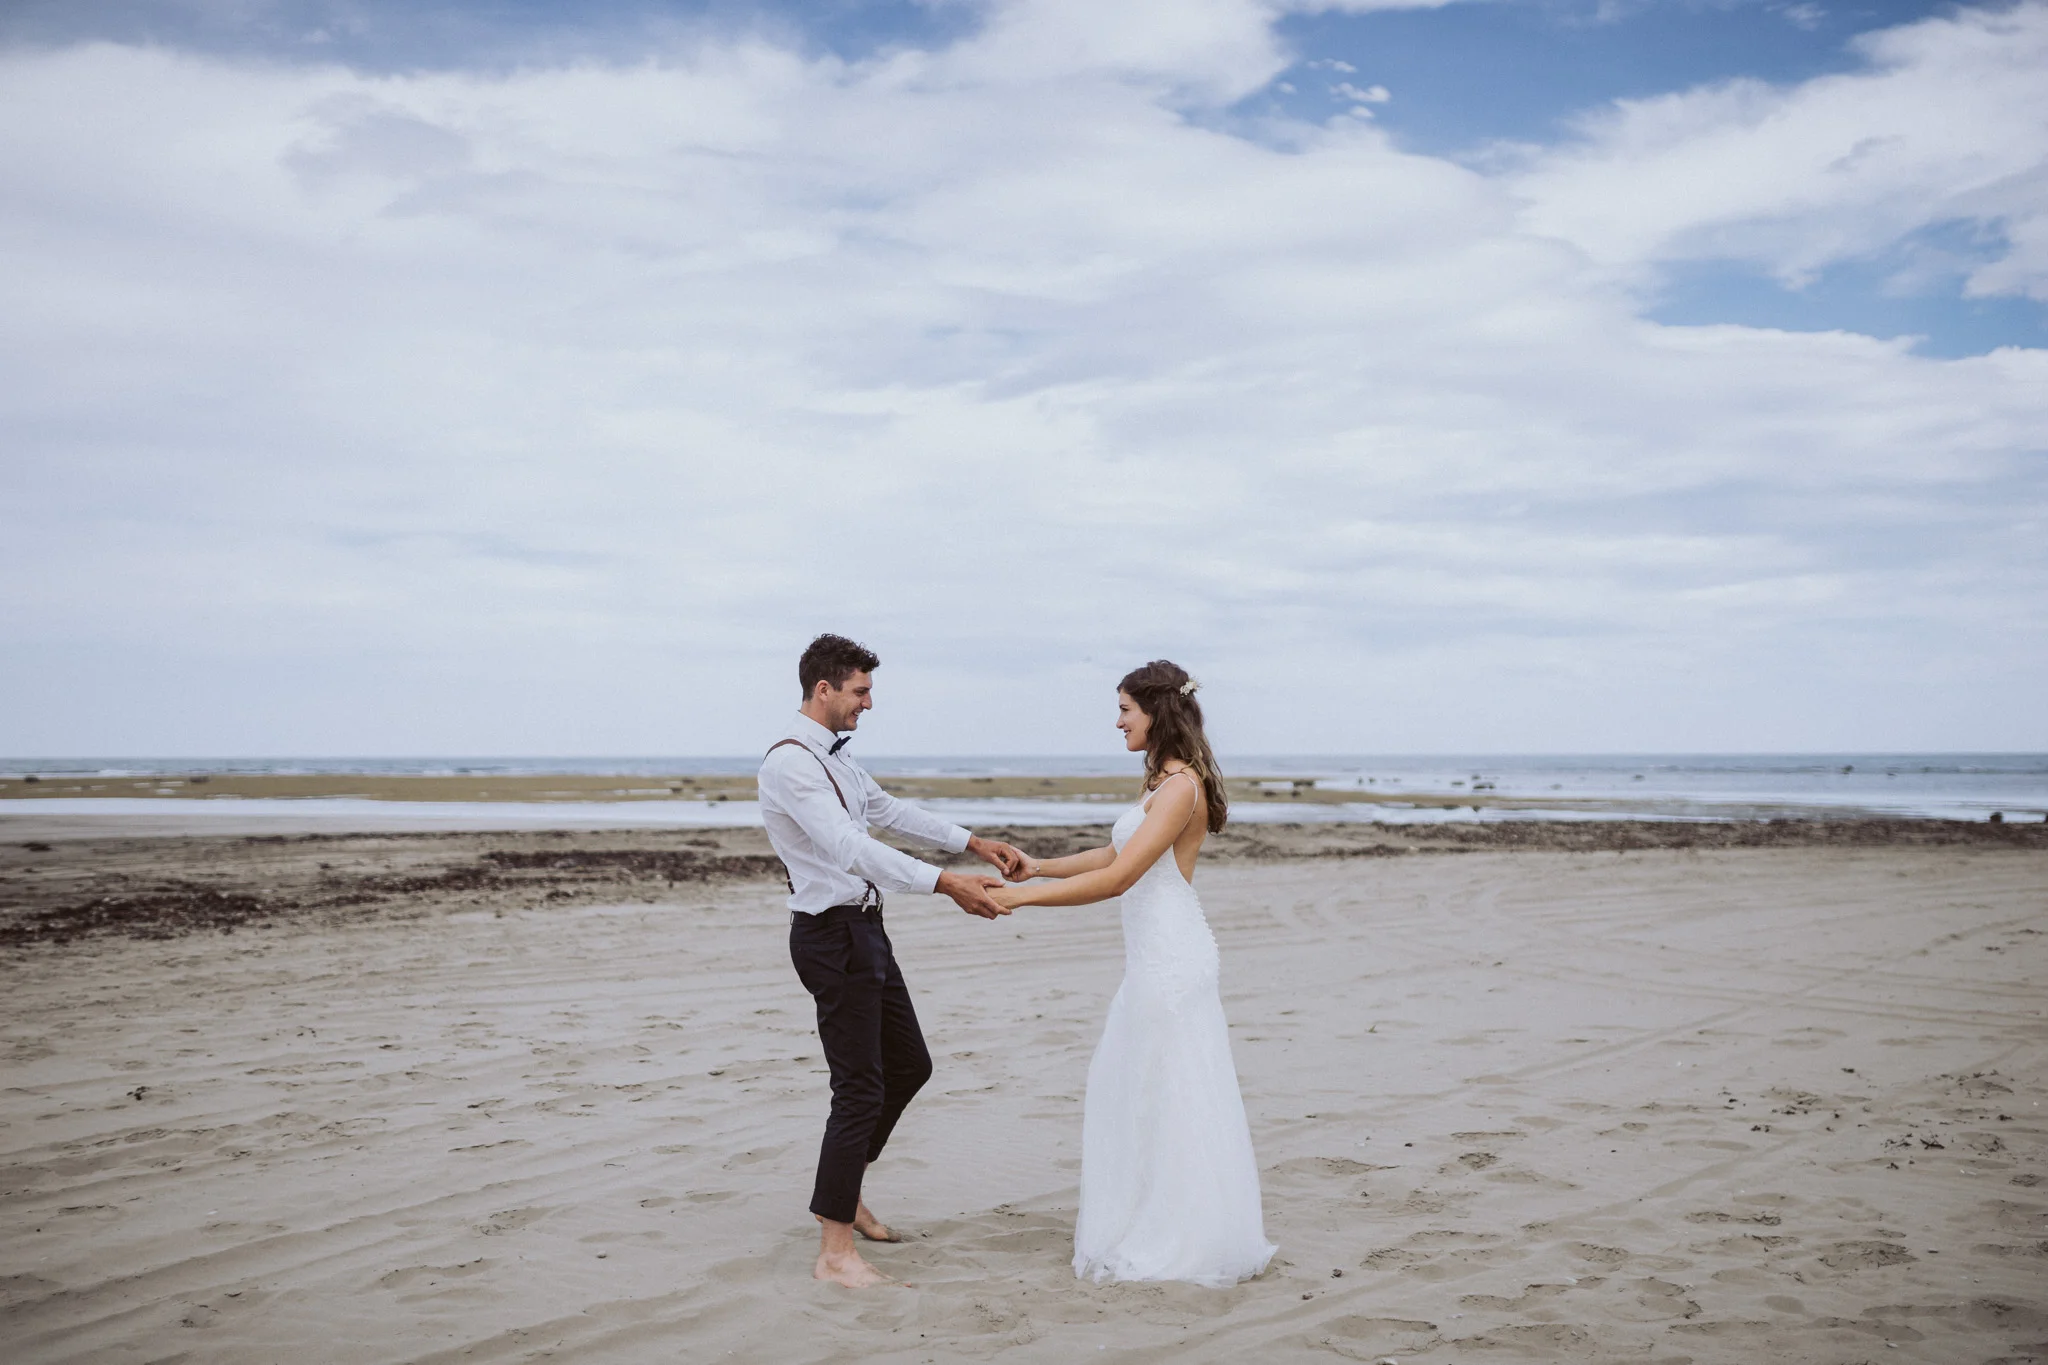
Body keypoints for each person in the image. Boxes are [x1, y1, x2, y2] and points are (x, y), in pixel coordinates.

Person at [988, 659, 1275, 1287]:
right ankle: (1158, 1217)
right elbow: (1114, 853)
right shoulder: (1161, 784)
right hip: (1155, 957)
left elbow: (1120, 880)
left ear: (1156, 711)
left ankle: (1183, 1238)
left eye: (1124, 709)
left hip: (1172, 959)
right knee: (1142, 1089)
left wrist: (1016, 901)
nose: (1116, 721)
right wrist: (1038, 868)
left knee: (1167, 1092)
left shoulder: (1179, 789)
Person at [758, 633, 1028, 1289]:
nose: (868, 703)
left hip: (866, 927)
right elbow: (849, 845)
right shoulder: (790, 765)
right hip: (830, 935)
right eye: (860, 690)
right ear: (824, 689)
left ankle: (843, 1187)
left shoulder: (839, 759)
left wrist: (974, 842)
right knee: (858, 1087)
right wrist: (946, 882)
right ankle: (835, 1252)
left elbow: (886, 811)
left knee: (910, 1063)